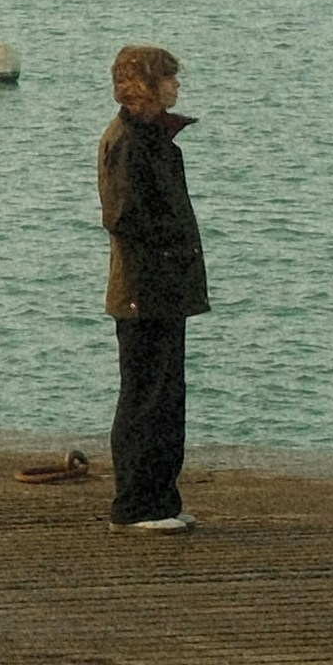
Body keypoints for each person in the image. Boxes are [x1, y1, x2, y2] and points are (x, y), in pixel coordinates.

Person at [95, 42, 207, 529]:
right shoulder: (127, 142)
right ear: (148, 85)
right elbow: (122, 216)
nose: (177, 86)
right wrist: (169, 248)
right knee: (145, 395)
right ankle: (136, 503)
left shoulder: (153, 139)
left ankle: (161, 499)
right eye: (169, 78)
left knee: (166, 394)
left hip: (164, 287)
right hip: (144, 289)